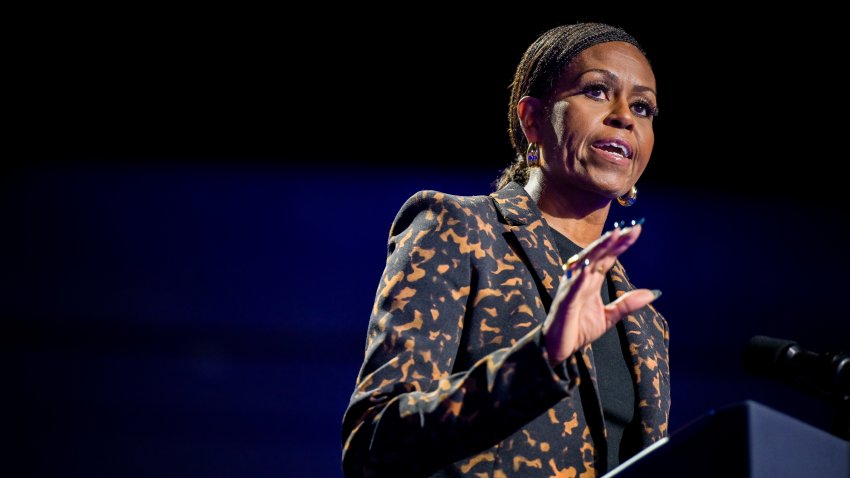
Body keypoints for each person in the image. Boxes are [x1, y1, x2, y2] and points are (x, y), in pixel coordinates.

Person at [341, 23, 670, 478]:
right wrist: (542, 359)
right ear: (532, 119)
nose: (624, 116)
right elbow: (373, 442)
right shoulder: (460, 230)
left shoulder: (646, 326)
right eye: (597, 91)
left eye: (643, 107)